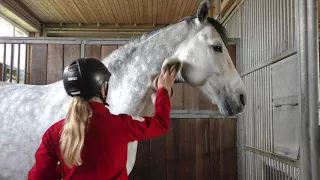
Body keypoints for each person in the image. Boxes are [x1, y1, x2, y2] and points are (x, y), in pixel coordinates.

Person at [28, 57, 176, 180]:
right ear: (102, 88)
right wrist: (163, 90)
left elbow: (39, 177)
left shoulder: (54, 133)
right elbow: (161, 124)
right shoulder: (122, 125)